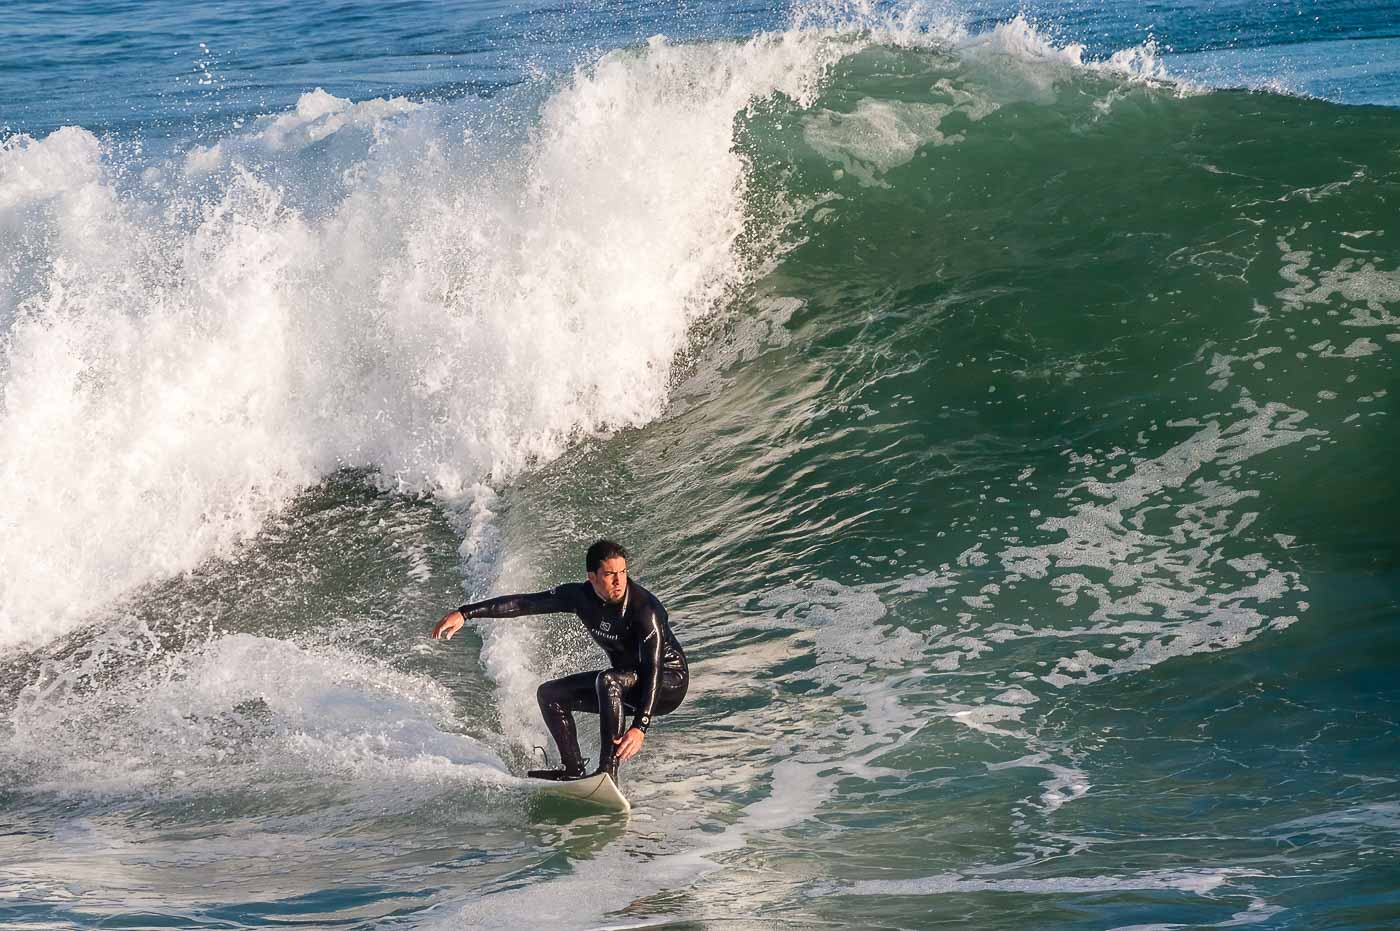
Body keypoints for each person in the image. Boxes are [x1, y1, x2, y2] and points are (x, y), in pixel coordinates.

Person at [430, 540, 688, 783]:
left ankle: (607, 773)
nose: (619, 581)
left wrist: (640, 727)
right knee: (550, 694)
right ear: (593, 576)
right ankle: (572, 770)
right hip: (626, 683)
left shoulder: (645, 609)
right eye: (610, 574)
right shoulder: (579, 597)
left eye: (623, 572)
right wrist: (466, 613)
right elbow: (525, 603)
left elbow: (652, 668)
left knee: (608, 681)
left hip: (666, 683)